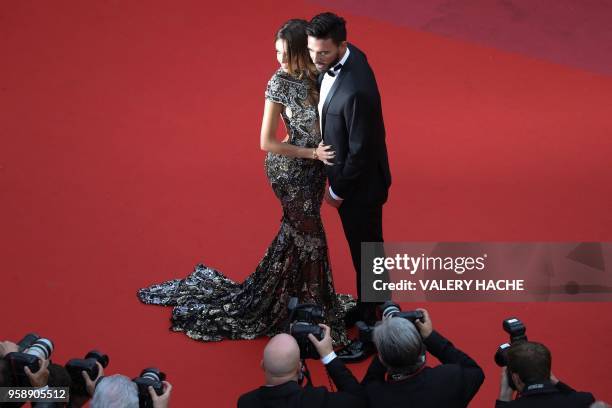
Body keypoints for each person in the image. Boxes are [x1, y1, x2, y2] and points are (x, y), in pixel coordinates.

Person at [137, 19, 353, 344]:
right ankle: (320, 312)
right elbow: (266, 142)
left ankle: (283, 299)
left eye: (285, 53)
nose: (279, 59)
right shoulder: (278, 82)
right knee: (312, 238)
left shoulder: (321, 74)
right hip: (289, 172)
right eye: (276, 52)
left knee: (296, 237)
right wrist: (311, 154)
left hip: (314, 174)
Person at [305, 12, 392, 360]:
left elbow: (360, 151)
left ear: (341, 46)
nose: (316, 60)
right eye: (313, 51)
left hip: (360, 188)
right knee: (366, 254)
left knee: (368, 255)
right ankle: (367, 307)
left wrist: (337, 191)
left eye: (323, 53)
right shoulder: (350, 53)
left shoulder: (358, 89)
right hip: (356, 179)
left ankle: (372, 332)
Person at [361, 309, 484, 408]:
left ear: (381, 358)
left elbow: (367, 385)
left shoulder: (374, 396)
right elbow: (474, 371)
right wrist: (430, 337)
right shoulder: (450, 379)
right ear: (421, 349)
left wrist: (387, 343)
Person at [237, 324, 366, 408]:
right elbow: (358, 399)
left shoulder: (245, 402)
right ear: (300, 367)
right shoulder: (317, 400)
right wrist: (328, 355)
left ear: (262, 365)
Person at [496, 341, 595, 407]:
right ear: (549, 372)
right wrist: (557, 383)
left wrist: (503, 397)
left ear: (515, 378)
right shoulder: (584, 401)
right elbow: (575, 398)